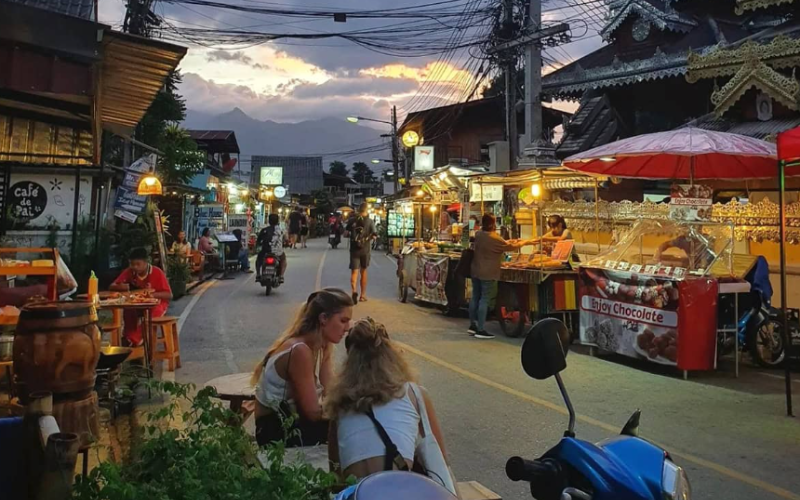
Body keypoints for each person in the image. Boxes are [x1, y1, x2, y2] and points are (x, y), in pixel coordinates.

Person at [326, 317, 452, 482]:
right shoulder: (414, 393)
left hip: (357, 491)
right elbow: (441, 460)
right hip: (398, 488)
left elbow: (335, 471)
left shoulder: (339, 402)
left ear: (349, 361)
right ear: (391, 355)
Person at [251, 288, 354, 447]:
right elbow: (313, 413)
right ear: (323, 318)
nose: (347, 328)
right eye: (343, 320)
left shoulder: (323, 346)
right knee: (350, 433)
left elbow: (331, 392)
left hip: (294, 422)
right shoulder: (300, 350)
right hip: (276, 431)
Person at [469, 214, 533, 339]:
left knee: (475, 297)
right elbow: (509, 247)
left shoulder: (479, 234)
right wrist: (525, 242)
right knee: (484, 299)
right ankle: (480, 329)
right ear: (492, 224)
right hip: (488, 273)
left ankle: (472, 325)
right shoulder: (494, 238)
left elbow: (503, 243)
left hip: (475, 270)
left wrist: (511, 241)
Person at [109, 247, 172, 347]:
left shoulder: (157, 272)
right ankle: (128, 336)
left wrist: (152, 295)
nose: (135, 267)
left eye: (138, 264)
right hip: (137, 302)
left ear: (146, 262)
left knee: (152, 314)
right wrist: (123, 287)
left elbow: (169, 295)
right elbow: (112, 286)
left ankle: (134, 339)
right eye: (132, 264)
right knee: (128, 310)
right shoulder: (129, 272)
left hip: (157, 303)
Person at [346, 203, 376, 304]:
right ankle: (362, 295)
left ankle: (354, 291)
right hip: (365, 250)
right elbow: (374, 235)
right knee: (363, 271)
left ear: (359, 210)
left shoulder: (352, 220)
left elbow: (345, 233)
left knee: (354, 272)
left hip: (354, 250)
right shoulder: (370, 221)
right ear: (366, 210)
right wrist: (369, 237)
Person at [256, 214, 287, 280]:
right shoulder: (281, 230)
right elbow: (286, 239)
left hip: (265, 251)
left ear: (268, 221)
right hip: (277, 252)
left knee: (258, 260)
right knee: (283, 260)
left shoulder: (264, 230)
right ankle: (281, 276)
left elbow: (258, 240)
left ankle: (258, 274)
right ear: (278, 221)